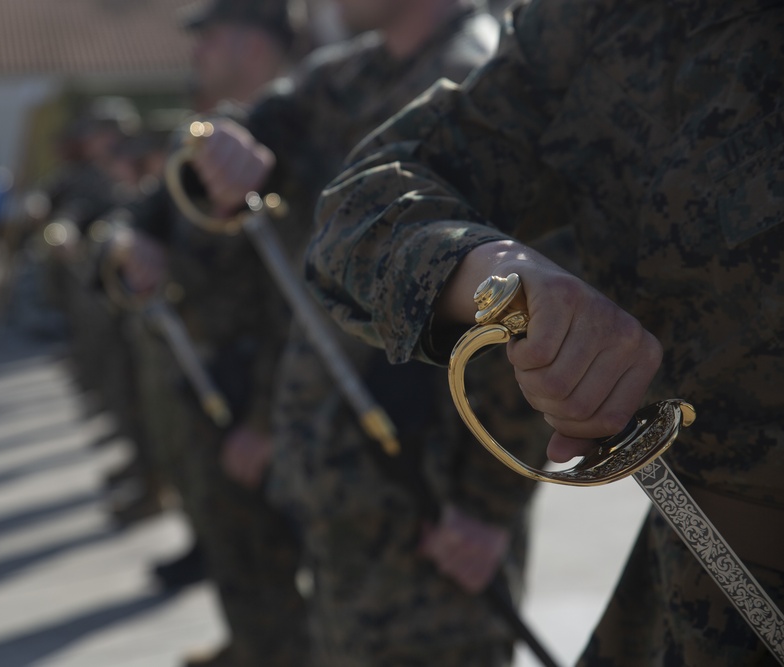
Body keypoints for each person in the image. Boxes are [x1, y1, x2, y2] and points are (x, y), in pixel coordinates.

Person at [308, 0, 784, 664]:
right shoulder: (607, 22)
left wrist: (484, 503)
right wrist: (490, 270)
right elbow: (358, 208)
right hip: (714, 581)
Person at [184, 0, 554, 664]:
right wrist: (220, 143)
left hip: (431, 498)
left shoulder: (481, 73)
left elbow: (530, 301)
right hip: (340, 475)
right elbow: (249, 123)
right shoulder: (343, 76)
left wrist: (487, 503)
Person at [108, 1, 310, 665]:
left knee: (313, 576)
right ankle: (251, 645)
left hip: (282, 400)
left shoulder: (313, 128)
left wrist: (266, 417)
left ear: (254, 46)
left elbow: (308, 301)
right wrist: (132, 244)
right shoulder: (198, 140)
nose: (195, 54)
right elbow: (137, 220)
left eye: (210, 39)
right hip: (210, 384)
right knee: (239, 557)